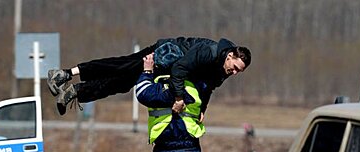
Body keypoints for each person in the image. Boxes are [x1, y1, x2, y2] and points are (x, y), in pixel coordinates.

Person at [47, 37, 250, 115]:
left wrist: (203, 110)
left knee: (119, 84)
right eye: (235, 67)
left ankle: (74, 92)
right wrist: (179, 98)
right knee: (122, 67)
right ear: (230, 55)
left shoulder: (222, 70)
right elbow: (180, 69)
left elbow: (207, 88)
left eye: (238, 72)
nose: (234, 72)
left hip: (166, 67)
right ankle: (65, 74)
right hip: (163, 54)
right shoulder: (209, 52)